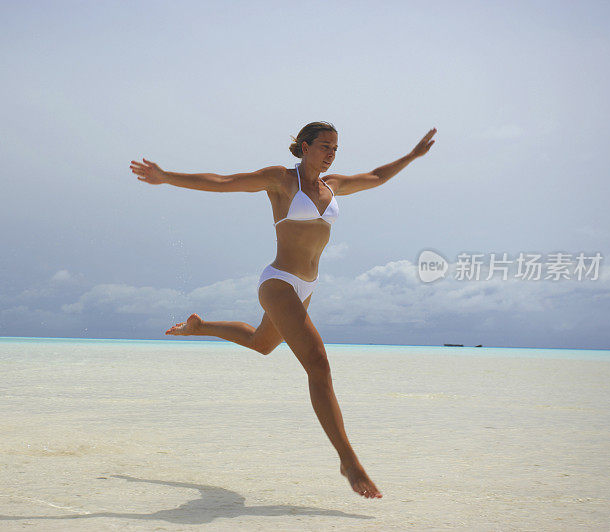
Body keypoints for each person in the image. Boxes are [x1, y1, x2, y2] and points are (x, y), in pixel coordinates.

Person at [130, 122, 437, 499]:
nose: (331, 153)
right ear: (305, 147)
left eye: (336, 148)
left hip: (306, 287)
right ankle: (348, 460)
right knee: (319, 365)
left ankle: (199, 327)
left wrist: (411, 155)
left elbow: (375, 176)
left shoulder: (332, 185)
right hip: (278, 283)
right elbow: (223, 181)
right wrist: (166, 177)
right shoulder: (281, 180)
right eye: (325, 146)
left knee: (262, 343)